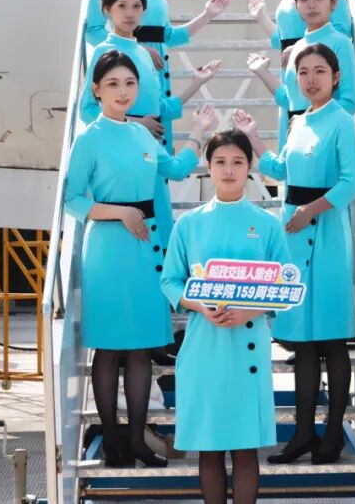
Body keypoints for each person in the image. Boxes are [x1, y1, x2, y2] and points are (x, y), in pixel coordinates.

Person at [65, 49, 218, 468]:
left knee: (140, 350)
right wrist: (120, 213)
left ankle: (136, 440)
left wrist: (199, 131)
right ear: (96, 90)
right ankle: (113, 441)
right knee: (108, 349)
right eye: (113, 84)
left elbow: (177, 169)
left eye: (130, 83)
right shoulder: (89, 139)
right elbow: (72, 199)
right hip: (109, 248)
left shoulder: (143, 136)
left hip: (144, 248)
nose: (123, 91)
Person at [233, 43, 355, 466]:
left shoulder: (342, 122)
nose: (310, 79)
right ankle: (303, 433)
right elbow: (281, 169)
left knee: (331, 341)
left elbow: (350, 182)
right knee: (303, 344)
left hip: (325, 235)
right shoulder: (298, 121)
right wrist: (253, 135)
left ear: (336, 77)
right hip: (295, 234)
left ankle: (332, 434)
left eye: (319, 71)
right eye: (303, 72)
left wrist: (310, 210)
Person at [160, 129, 291, 504]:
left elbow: (285, 283)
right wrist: (201, 306)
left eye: (237, 162)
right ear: (208, 166)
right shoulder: (189, 224)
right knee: (210, 447)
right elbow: (170, 281)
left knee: (246, 449)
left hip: (247, 343)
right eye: (220, 162)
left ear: (250, 168)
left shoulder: (267, 224)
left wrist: (249, 310)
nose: (229, 170)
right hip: (204, 344)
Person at [80, 0, 227, 243]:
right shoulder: (105, 52)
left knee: (158, 228)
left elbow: (160, 109)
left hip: (151, 150)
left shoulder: (142, 54)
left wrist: (196, 83)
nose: (130, 13)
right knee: (132, 230)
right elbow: (87, 110)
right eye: (122, 6)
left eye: (136, 6)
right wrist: (137, 124)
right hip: (122, 156)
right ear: (108, 10)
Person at [85, 0, 232, 150]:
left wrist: (208, 14)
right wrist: (135, 50)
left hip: (158, 72)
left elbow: (169, 36)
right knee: (133, 141)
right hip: (127, 71)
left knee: (158, 143)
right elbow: (93, 30)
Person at [247, 0, 355, 146]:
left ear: (333, 3)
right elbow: (290, 101)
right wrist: (263, 73)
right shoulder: (297, 48)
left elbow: (350, 100)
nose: (312, 5)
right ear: (296, 6)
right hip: (298, 137)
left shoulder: (340, 42)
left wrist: (315, 124)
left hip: (327, 139)